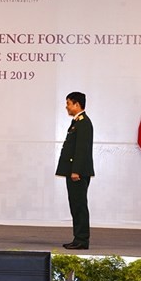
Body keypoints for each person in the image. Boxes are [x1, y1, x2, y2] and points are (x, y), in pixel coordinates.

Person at [55, 91, 94, 250]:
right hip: (74, 171)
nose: (67, 107)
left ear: (77, 104)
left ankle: (82, 239)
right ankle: (78, 238)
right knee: (75, 205)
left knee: (79, 206)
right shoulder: (77, 122)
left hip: (78, 172)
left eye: (69, 103)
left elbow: (81, 149)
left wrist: (76, 170)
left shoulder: (83, 123)